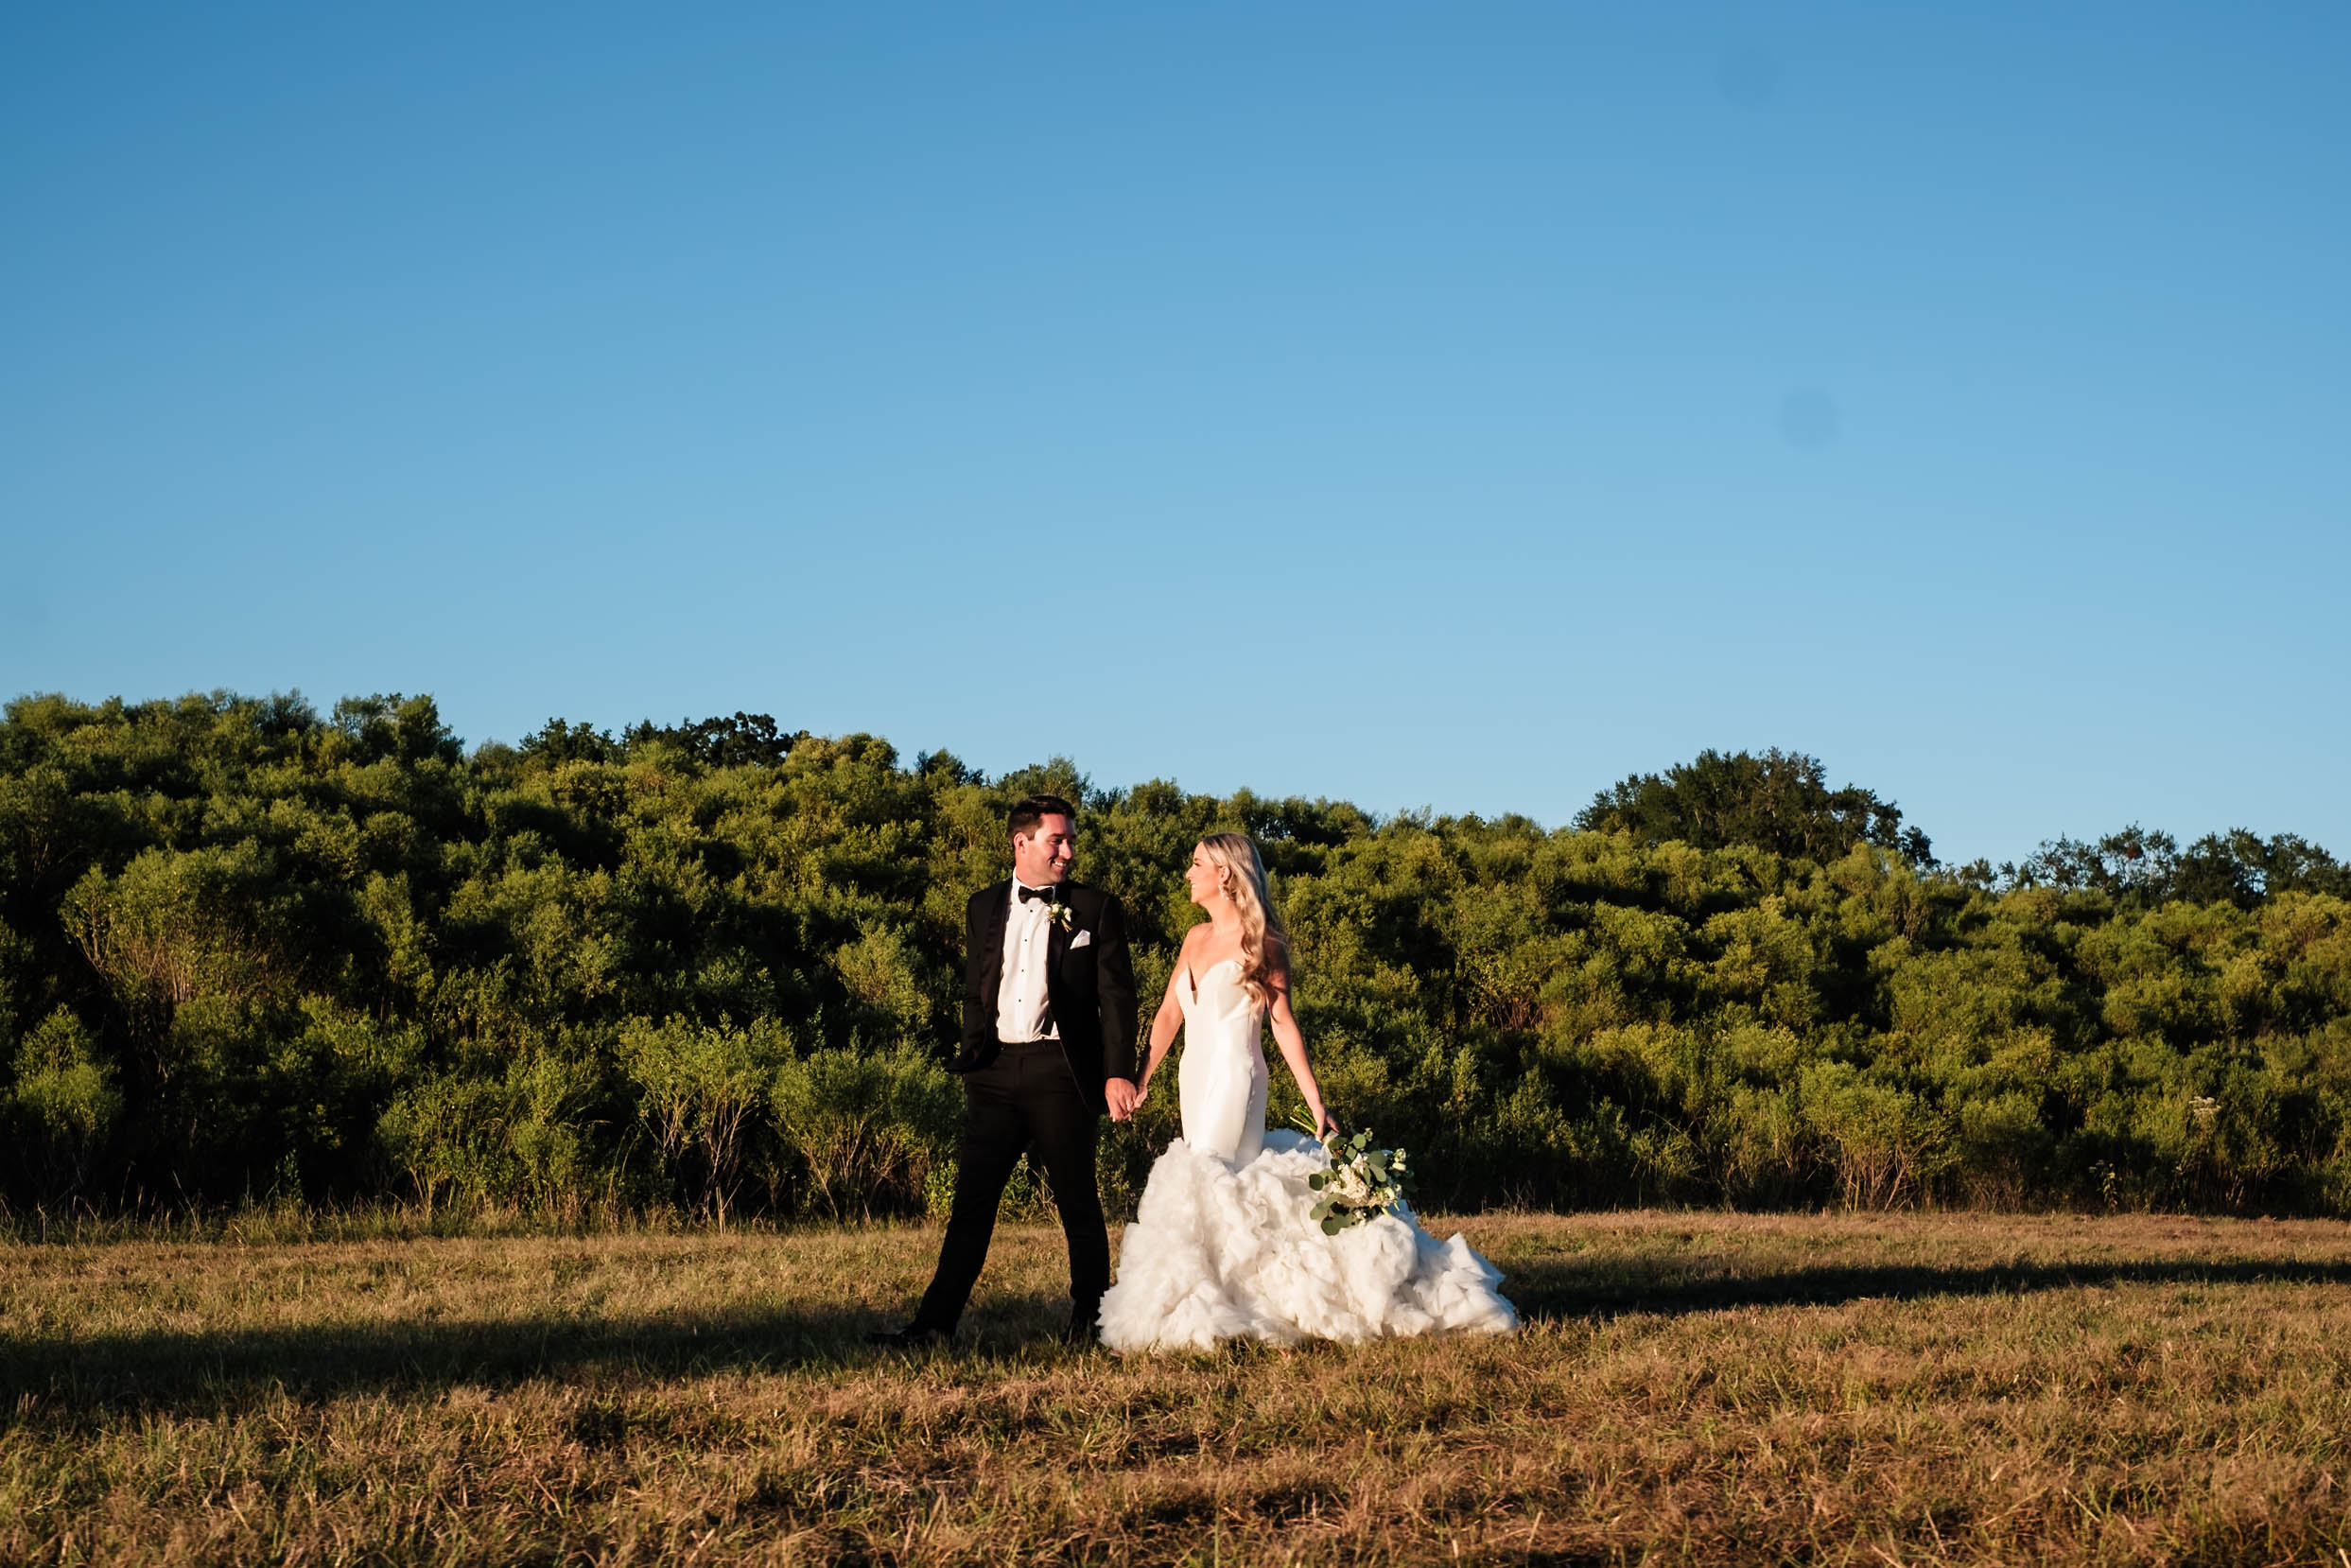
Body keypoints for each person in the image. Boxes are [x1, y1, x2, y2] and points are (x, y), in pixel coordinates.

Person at [1094, 832, 1517, 1351]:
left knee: (1209, 1174)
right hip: (1193, 1073)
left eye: (1197, 862)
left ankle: (1223, 1307)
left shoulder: (1262, 943)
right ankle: (1226, 1298)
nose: (1188, 872)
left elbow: (1282, 1025)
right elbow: (1167, 1016)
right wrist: (1141, 1079)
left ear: (1225, 875)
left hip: (1236, 1075)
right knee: (1213, 1181)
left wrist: (1315, 1100)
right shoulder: (1193, 938)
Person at [870, 794, 1140, 1347]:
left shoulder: (1095, 907)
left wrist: (1118, 1073)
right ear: (1021, 842)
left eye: (1069, 840)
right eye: (1055, 840)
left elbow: (1117, 999)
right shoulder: (982, 905)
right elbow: (977, 986)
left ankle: (1090, 1325)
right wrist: (973, 1055)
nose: (1067, 851)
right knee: (972, 1204)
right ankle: (933, 1325)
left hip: (1060, 1071)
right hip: (992, 1073)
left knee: (1077, 1203)